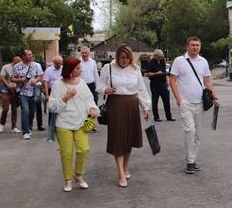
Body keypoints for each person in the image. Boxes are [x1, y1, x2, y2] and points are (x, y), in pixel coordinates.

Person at [98, 45, 151, 187]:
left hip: (132, 105)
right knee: (118, 138)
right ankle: (121, 173)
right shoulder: (108, 68)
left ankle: (125, 167)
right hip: (116, 105)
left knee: (129, 138)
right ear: (117, 57)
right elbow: (99, 85)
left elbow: (141, 89)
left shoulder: (135, 69)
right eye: (122, 57)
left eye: (127, 57)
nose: (125, 60)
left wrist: (146, 107)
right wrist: (105, 89)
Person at [169, 37, 219, 174]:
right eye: (192, 45)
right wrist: (178, 98)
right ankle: (190, 162)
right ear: (187, 46)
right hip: (186, 102)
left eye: (197, 45)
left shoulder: (203, 62)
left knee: (198, 135)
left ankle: (192, 159)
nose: (195, 47)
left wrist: (214, 96)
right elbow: (172, 80)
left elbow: (207, 81)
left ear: (200, 47)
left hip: (200, 103)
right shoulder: (179, 61)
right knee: (189, 131)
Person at [49, 56, 99, 192]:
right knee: (66, 153)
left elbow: (89, 99)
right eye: (78, 68)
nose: (81, 70)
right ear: (70, 70)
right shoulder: (58, 85)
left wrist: (93, 108)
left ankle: (78, 175)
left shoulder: (82, 83)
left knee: (83, 149)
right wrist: (66, 97)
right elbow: (53, 107)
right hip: (63, 123)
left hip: (81, 122)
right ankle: (68, 180)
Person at [11, 49, 43, 140]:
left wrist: (35, 81)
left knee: (32, 112)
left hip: (33, 91)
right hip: (22, 92)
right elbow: (12, 78)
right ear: (23, 56)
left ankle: (28, 127)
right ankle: (25, 131)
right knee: (25, 110)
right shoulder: (17, 66)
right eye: (28, 54)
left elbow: (40, 76)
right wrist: (20, 80)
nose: (30, 56)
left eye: (31, 54)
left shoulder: (36, 65)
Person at [146, 49, 174, 122]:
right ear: (155, 56)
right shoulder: (151, 63)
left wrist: (167, 81)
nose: (161, 58)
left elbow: (164, 72)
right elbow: (147, 74)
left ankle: (169, 116)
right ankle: (156, 117)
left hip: (163, 83)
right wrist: (156, 73)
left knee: (167, 100)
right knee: (155, 101)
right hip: (155, 84)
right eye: (160, 56)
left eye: (162, 56)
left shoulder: (162, 62)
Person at [0, 56, 21, 133]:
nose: (18, 63)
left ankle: (14, 127)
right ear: (13, 61)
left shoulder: (20, 68)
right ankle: (2, 124)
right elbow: (2, 77)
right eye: (17, 61)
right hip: (6, 90)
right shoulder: (6, 67)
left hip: (15, 90)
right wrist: (7, 85)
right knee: (5, 108)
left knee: (14, 109)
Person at [43, 56, 64, 141]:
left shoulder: (64, 69)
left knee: (61, 110)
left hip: (62, 91)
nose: (58, 65)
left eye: (60, 63)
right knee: (52, 110)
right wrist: (47, 95)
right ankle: (51, 128)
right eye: (57, 64)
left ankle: (60, 126)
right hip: (52, 91)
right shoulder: (49, 70)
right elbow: (46, 82)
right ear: (54, 63)